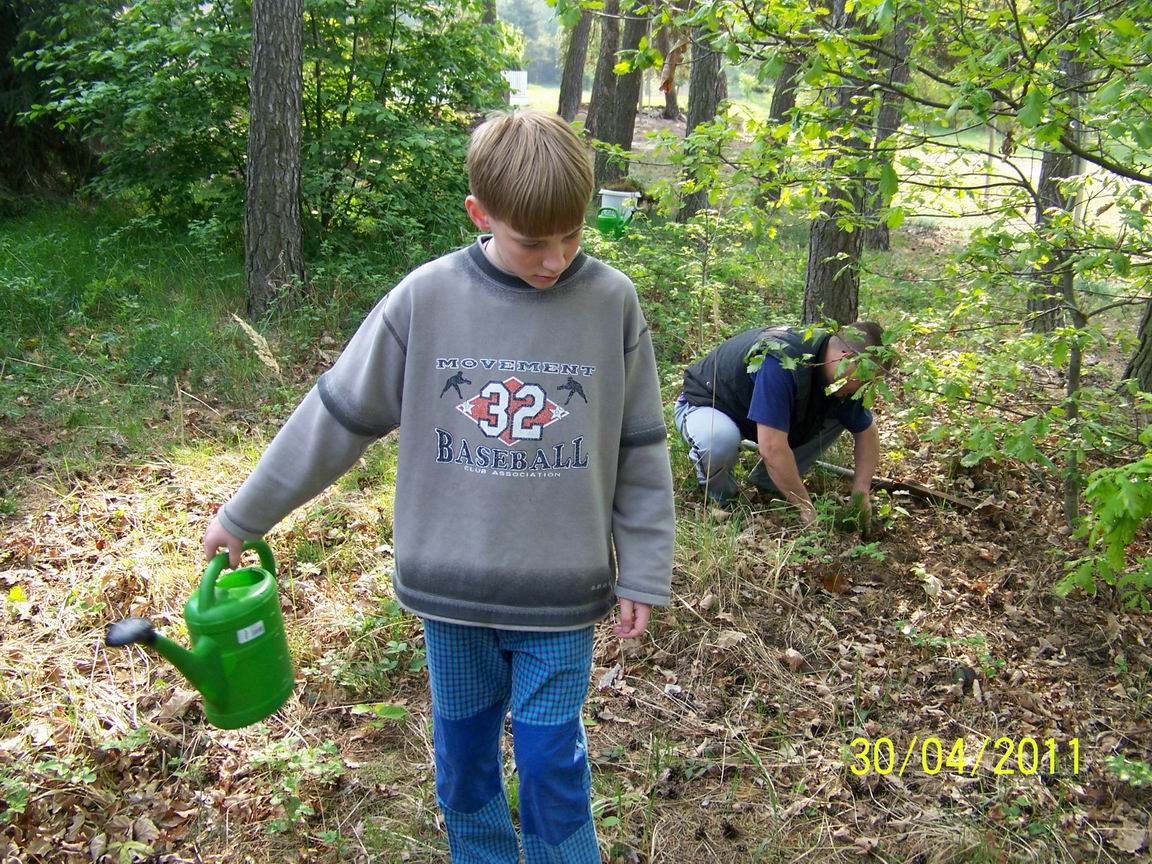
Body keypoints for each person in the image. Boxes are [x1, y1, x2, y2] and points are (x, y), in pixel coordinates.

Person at [202, 109, 674, 864]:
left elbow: (642, 446)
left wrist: (644, 568)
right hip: (450, 596)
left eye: (572, 237)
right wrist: (244, 516)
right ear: (480, 215)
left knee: (554, 762)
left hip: (560, 597)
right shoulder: (427, 299)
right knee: (463, 760)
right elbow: (337, 415)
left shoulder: (610, 304)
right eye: (532, 241)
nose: (555, 260)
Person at [674, 322, 887, 527]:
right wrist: (806, 508)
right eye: (864, 380)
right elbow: (772, 447)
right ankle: (721, 499)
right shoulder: (781, 361)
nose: (863, 388)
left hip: (755, 416)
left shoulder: (841, 377)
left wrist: (861, 492)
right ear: (846, 357)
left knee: (842, 416)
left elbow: (867, 431)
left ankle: (770, 484)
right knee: (719, 440)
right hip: (708, 406)